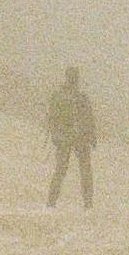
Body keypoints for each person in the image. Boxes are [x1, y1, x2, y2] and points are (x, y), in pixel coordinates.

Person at [46, 65, 97, 209]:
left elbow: (88, 118)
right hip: (73, 138)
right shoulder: (75, 97)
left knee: (66, 170)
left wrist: (92, 135)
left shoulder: (64, 96)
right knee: (77, 171)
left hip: (70, 138)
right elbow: (89, 118)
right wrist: (92, 136)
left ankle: (53, 203)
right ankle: (86, 204)